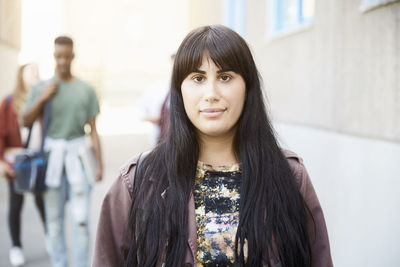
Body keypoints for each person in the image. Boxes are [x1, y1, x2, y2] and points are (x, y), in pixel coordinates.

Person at [93, 25, 333, 267]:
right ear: (179, 90)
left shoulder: (290, 176)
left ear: (247, 87)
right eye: (197, 78)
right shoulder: (138, 180)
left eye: (225, 77)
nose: (211, 93)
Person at [23, 36, 103, 267]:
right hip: (52, 163)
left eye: (67, 56)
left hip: (79, 161)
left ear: (73, 56)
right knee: (54, 223)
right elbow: (25, 120)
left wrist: (99, 164)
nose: (63, 61)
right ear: (54, 56)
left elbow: (93, 131)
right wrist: (42, 98)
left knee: (81, 222)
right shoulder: (42, 87)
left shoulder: (86, 89)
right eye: (59, 56)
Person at [0, 63, 46, 266]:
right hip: (17, 162)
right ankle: (16, 246)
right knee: (16, 203)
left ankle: (51, 237)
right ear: (21, 75)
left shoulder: (44, 100)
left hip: (38, 160)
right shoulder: (9, 102)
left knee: (42, 200)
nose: (35, 73)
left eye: (37, 70)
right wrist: (1, 162)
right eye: (31, 70)